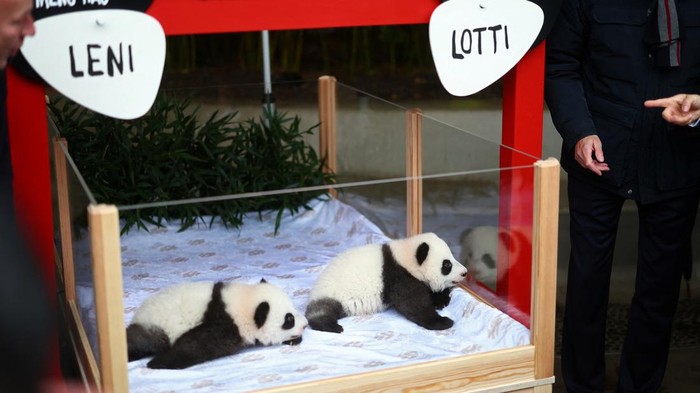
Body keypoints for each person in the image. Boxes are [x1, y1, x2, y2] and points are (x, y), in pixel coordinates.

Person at [545, 1, 700, 392]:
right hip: (599, 155)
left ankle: (642, 385)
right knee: (586, 281)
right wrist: (579, 131)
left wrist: (699, 108)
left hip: (678, 158)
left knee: (659, 289)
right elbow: (560, 66)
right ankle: (582, 385)